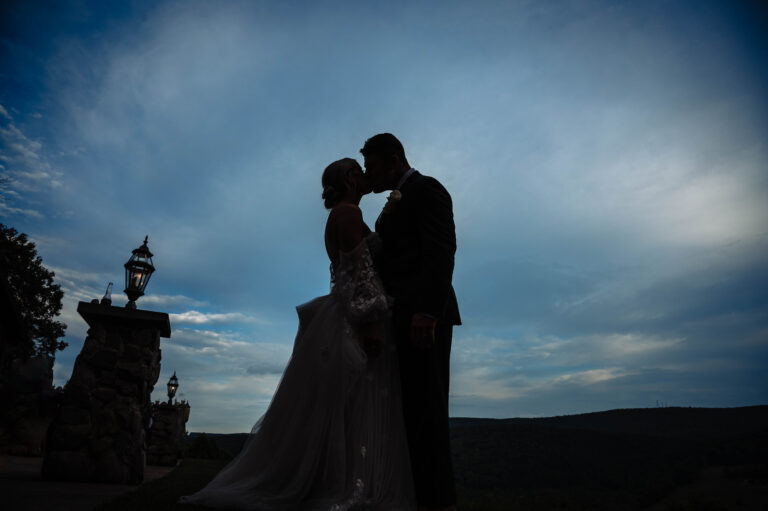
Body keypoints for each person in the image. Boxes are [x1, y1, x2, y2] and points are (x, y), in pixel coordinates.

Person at [179, 158, 415, 510]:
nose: (366, 174)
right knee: (352, 408)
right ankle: (347, 485)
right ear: (351, 177)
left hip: (341, 315)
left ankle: (346, 479)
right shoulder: (347, 214)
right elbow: (358, 274)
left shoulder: (344, 214)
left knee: (345, 410)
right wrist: (369, 323)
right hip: (353, 321)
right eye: (360, 169)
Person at [361, 134, 461, 511]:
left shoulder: (427, 189)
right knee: (409, 412)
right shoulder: (390, 204)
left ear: (393, 160)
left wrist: (427, 311)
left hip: (424, 319)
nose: (369, 176)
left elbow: (441, 250)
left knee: (427, 412)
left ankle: (438, 502)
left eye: (372, 167)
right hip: (400, 317)